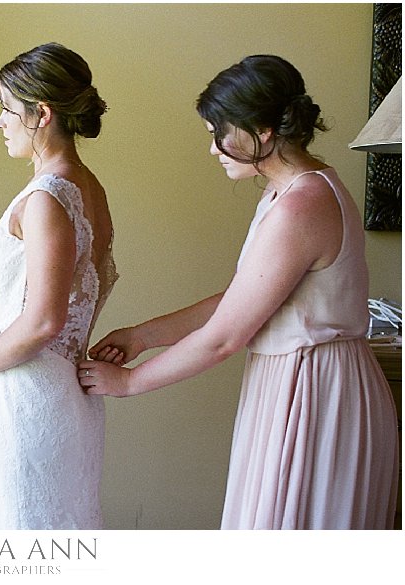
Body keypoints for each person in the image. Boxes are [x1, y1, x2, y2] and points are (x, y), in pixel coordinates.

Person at [78, 55, 399, 529]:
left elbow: (225, 337)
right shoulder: (289, 191)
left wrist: (129, 382)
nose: (213, 149)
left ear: (262, 131)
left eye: (219, 133)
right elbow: (239, 298)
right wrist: (142, 336)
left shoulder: (301, 206)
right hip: (297, 379)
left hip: (315, 391)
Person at [0, 42, 116, 529]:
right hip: (69, 396)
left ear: (42, 113)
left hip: (28, 393)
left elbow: (45, 321)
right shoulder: (92, 190)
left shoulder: (47, 198)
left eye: (7, 109)